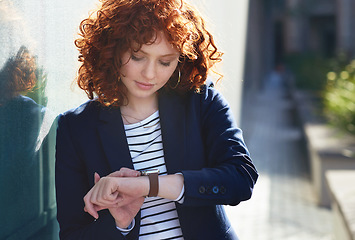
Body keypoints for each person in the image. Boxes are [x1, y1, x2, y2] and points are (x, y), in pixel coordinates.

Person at [55, 0, 258, 239]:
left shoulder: (200, 100)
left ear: (180, 59)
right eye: (138, 56)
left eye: (165, 61)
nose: (150, 74)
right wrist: (121, 225)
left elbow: (241, 177)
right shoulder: (77, 127)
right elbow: (72, 233)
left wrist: (148, 185)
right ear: (113, 49)